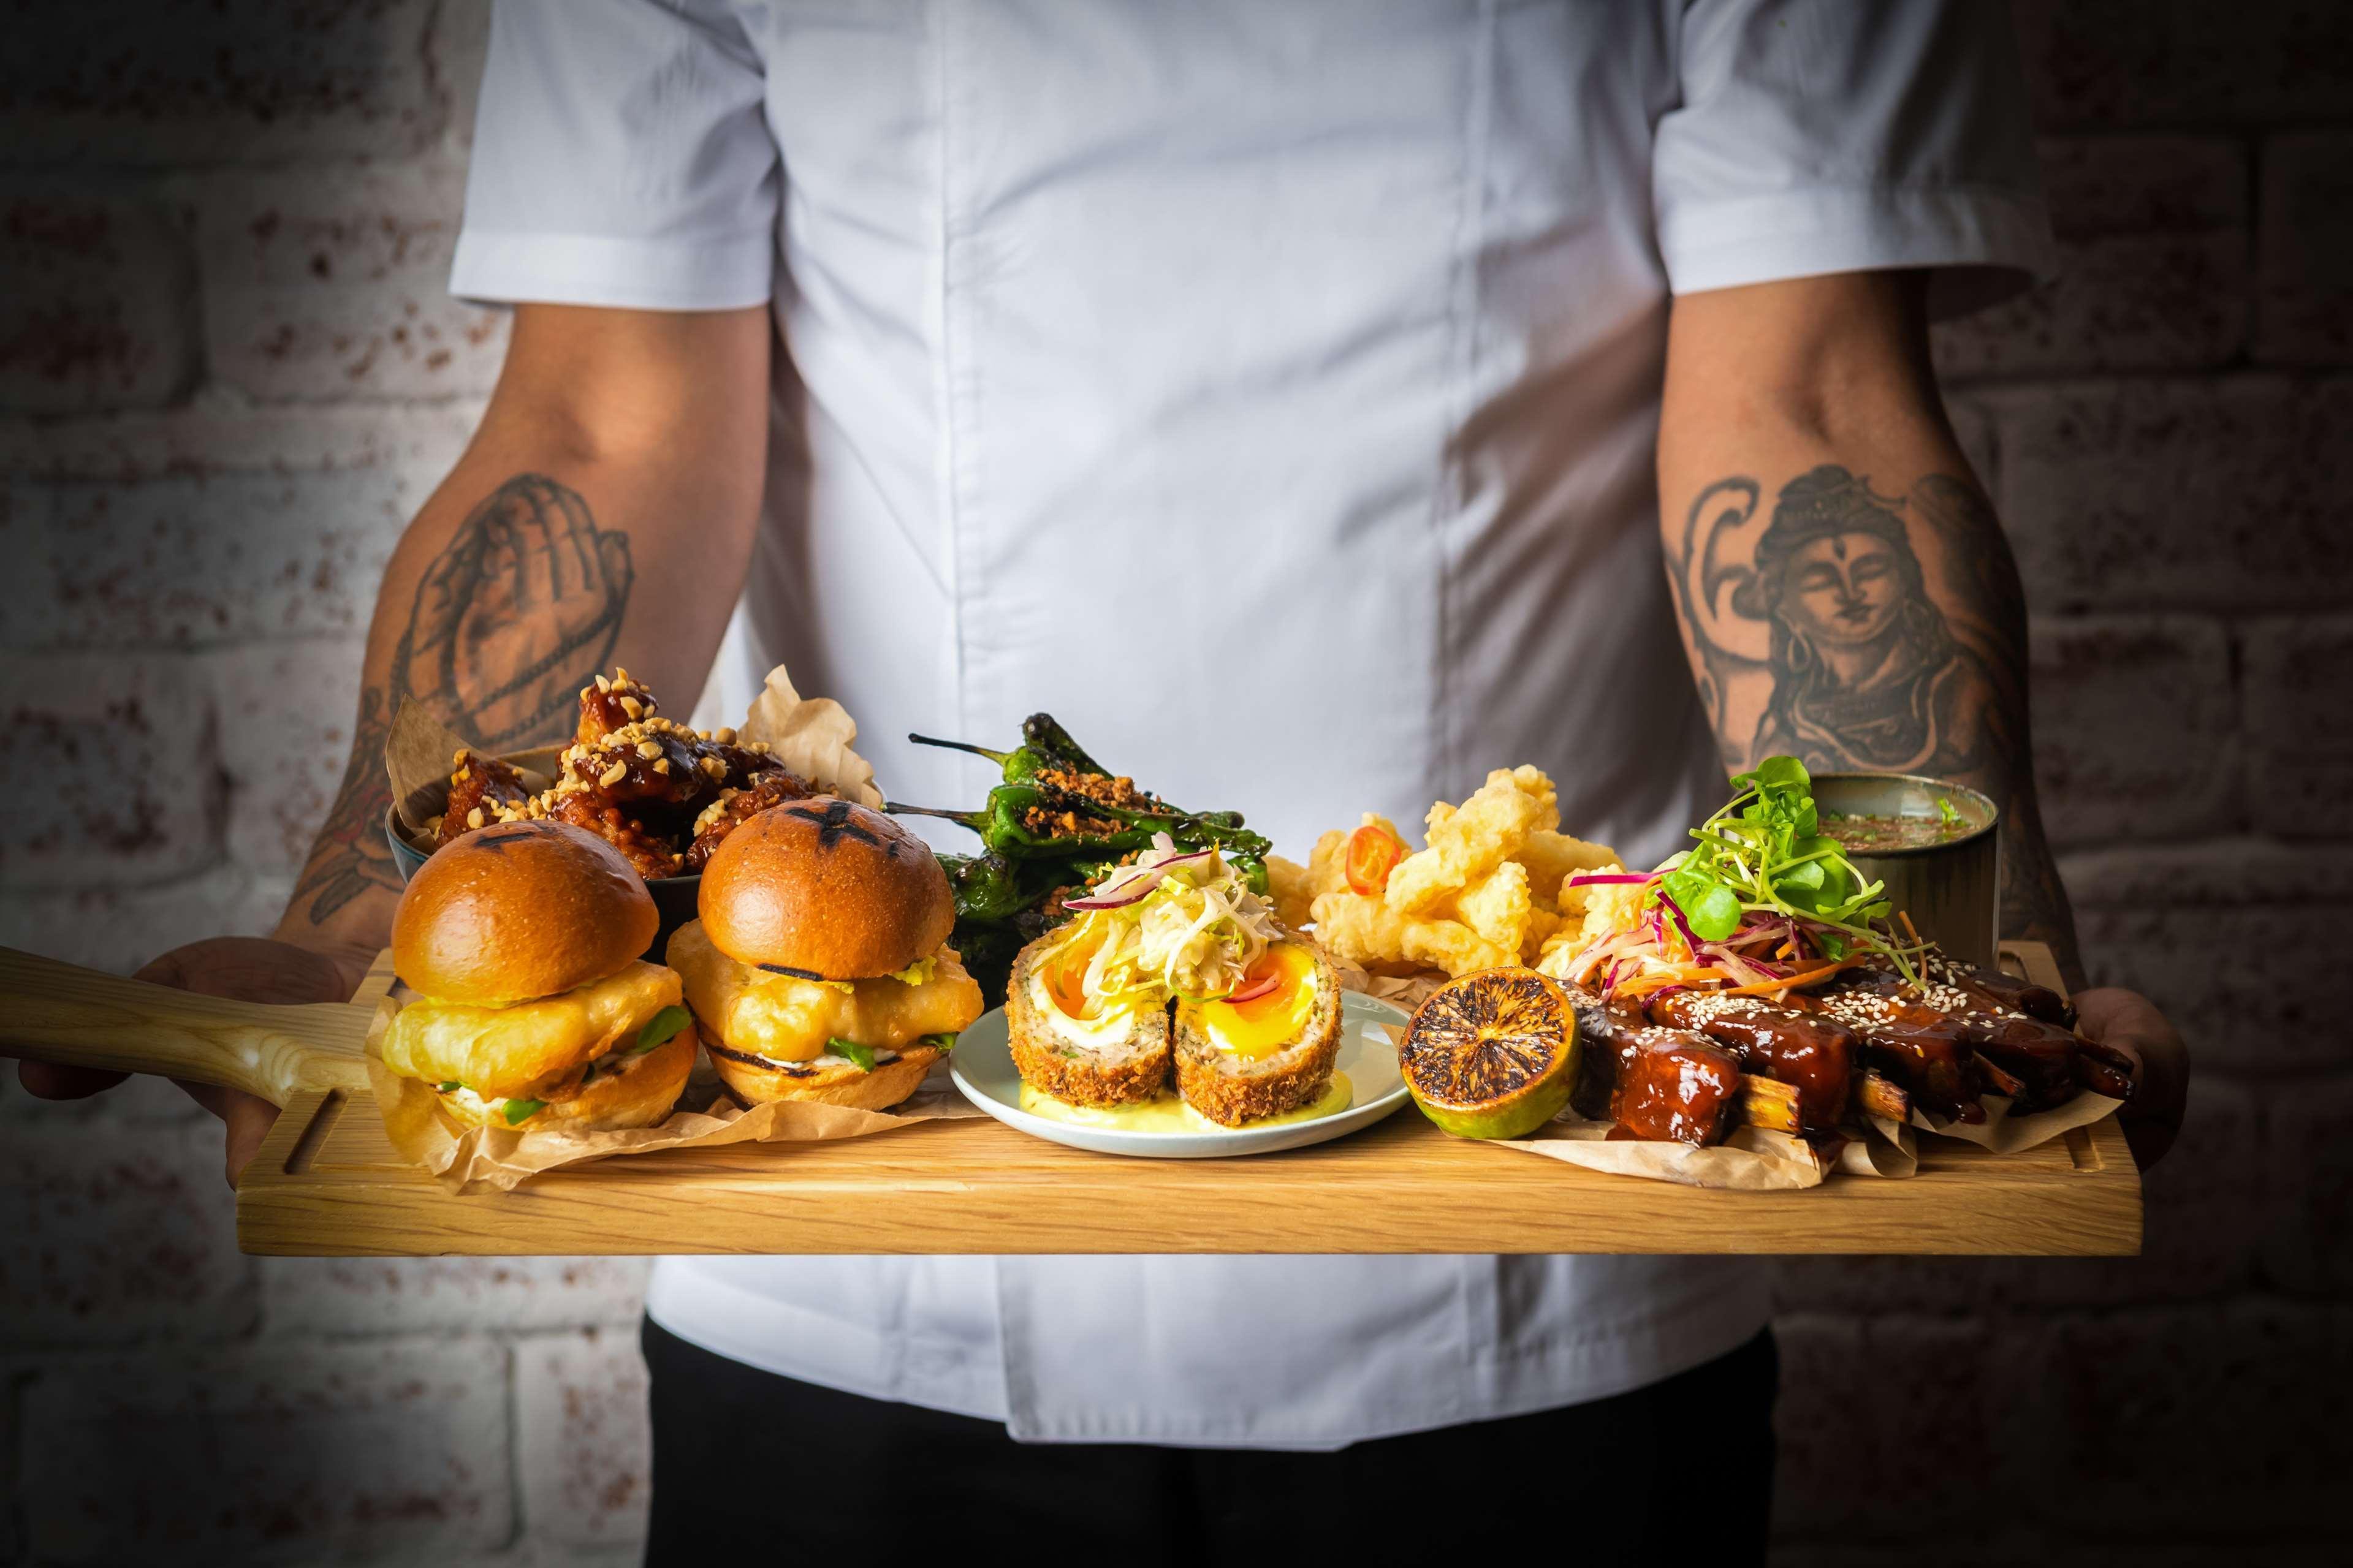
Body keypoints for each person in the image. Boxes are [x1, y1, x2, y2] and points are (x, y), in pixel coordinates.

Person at [17, 2, 2189, 1561]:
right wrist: (353, 930)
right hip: (854, 1283)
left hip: (1539, 1264)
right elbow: (596, 428)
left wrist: (1949, 961)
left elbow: (1807, 404)